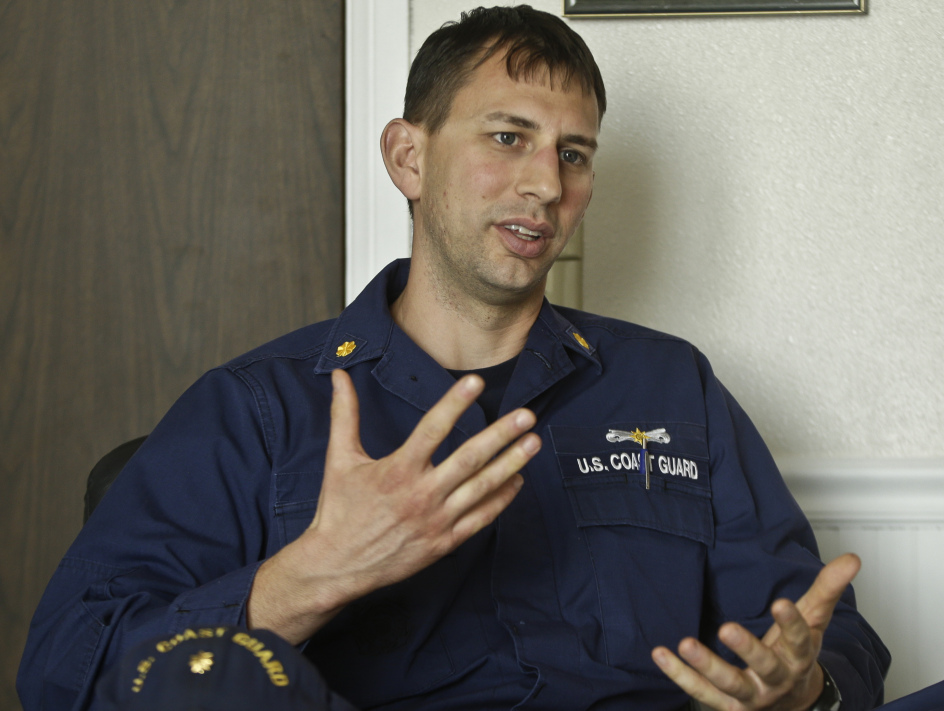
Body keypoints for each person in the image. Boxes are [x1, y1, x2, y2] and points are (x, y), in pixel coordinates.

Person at [18, 5, 889, 710]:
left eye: (573, 154)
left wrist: (801, 687)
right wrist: (308, 578)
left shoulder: (672, 385)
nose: (547, 184)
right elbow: (66, 665)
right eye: (507, 137)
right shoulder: (259, 407)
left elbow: (813, 629)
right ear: (409, 156)